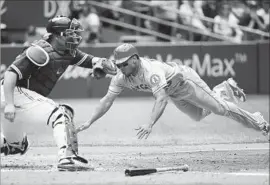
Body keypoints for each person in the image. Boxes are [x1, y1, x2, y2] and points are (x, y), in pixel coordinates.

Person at [76, 43, 269, 141]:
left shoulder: (150, 71)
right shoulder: (121, 76)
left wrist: (150, 123)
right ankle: (223, 89)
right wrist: (89, 121)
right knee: (198, 116)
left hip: (185, 81)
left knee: (219, 109)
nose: (121, 67)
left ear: (135, 59)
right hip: (174, 92)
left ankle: (257, 120)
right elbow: (107, 100)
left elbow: (161, 99)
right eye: (118, 64)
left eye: (125, 63)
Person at [0, 15, 117, 171]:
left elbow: (92, 60)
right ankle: (68, 158)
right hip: (13, 94)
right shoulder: (39, 51)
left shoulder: (68, 51)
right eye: (70, 32)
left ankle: (14, 144)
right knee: (61, 113)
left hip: (20, 98)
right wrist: (9, 104)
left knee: (16, 146)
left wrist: (102, 64)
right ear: (58, 35)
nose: (75, 36)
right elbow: (10, 74)